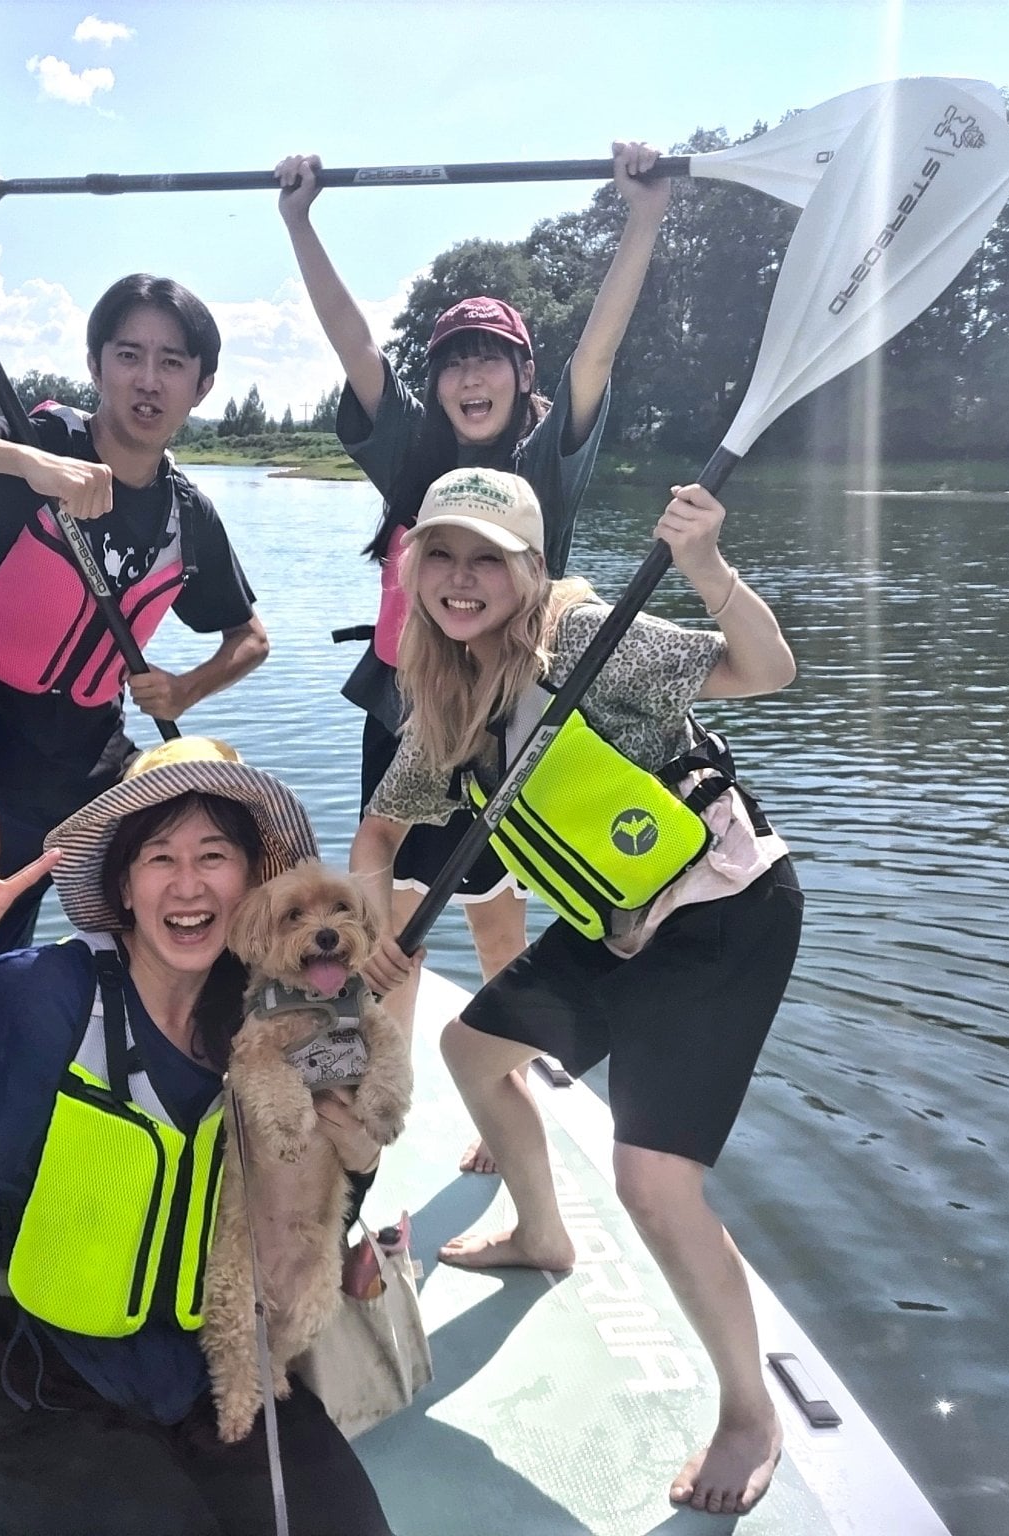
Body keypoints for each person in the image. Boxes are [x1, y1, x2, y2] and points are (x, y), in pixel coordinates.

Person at [0, 737, 394, 1536]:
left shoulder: (275, 1016)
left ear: (250, 882)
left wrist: (362, 1159)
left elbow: (311, 1202)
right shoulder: (36, 994)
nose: (187, 883)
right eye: (159, 857)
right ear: (123, 884)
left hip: (215, 1370)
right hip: (48, 1393)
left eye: (214, 855)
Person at [350, 468, 803, 1517]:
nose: (461, 578)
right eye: (441, 555)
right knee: (471, 1050)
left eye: (488, 559)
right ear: (415, 572)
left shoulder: (594, 640)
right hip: (620, 920)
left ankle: (750, 1414)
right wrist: (377, 930)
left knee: (652, 1182)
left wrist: (705, 566)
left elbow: (767, 669)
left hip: (726, 913)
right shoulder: (444, 698)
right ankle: (542, 1231)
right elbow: (378, 833)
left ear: (530, 569)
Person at [275, 146, 668, 1172]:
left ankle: (508, 1089)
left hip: (509, 728)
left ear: (522, 378)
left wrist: (641, 218)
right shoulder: (413, 452)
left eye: (493, 359)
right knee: (390, 919)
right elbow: (356, 344)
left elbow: (595, 357)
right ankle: (379, 1095)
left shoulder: (544, 466)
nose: (472, 376)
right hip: (407, 718)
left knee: (499, 917)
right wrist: (300, 221)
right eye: (455, 360)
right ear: (438, 379)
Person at [0, 273, 270, 958]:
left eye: (172, 363)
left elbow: (250, 639)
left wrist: (186, 688)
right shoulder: (38, 442)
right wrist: (27, 464)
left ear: (201, 387)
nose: (148, 380)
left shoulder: (188, 514)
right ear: (95, 366)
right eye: (129, 355)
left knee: (180, 931)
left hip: (93, 777)